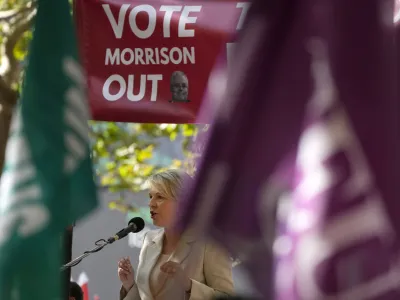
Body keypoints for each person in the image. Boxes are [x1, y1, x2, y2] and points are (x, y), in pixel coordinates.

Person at [118, 170, 234, 300]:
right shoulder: (149, 239)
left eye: (160, 197)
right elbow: (146, 295)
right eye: (151, 197)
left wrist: (189, 285)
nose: (151, 204)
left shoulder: (210, 243)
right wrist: (129, 285)